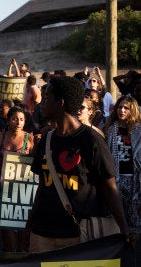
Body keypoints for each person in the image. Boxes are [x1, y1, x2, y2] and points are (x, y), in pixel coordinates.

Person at [28, 76, 133, 253]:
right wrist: (29, 225)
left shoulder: (93, 141)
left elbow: (109, 188)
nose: (42, 104)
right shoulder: (46, 139)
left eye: (47, 99)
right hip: (41, 235)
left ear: (60, 103)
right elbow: (42, 186)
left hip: (77, 237)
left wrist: (124, 229)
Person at [0, 106, 34, 252]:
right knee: (6, 225)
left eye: (22, 119)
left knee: (23, 226)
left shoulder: (30, 139)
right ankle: (10, 256)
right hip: (3, 188)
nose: (18, 122)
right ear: (8, 120)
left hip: (23, 189)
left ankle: (21, 255)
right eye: (15, 119)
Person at [104, 96, 141, 234]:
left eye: (126, 108)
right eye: (120, 107)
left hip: (135, 180)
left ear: (133, 110)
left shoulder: (138, 130)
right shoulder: (110, 129)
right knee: (117, 219)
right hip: (116, 179)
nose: (122, 110)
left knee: (134, 219)